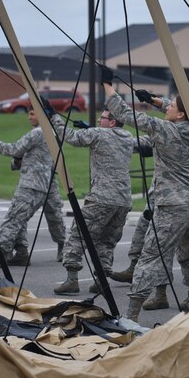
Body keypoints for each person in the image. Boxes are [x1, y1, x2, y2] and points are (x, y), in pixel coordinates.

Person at [102, 83, 189, 323]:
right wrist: (153, 100)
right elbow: (180, 117)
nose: (167, 106)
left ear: (180, 114)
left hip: (172, 205)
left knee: (150, 256)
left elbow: (125, 114)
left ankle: (130, 316)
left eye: (171, 105)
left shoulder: (165, 130)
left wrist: (108, 87)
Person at [51, 109, 135, 294]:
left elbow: (70, 136)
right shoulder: (127, 136)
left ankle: (71, 279)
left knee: (77, 234)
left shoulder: (98, 133)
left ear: (112, 122)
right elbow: (110, 140)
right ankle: (101, 281)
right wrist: (89, 129)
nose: (98, 119)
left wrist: (54, 117)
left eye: (102, 117)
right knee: (106, 241)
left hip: (102, 198)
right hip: (123, 200)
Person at [0, 104, 66, 268]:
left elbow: (15, 149)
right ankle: (22, 252)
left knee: (13, 218)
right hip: (41, 183)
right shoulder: (52, 132)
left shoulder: (37, 132)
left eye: (32, 113)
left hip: (31, 184)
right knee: (20, 218)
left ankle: (1, 253)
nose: (29, 117)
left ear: (42, 115)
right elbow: (28, 156)